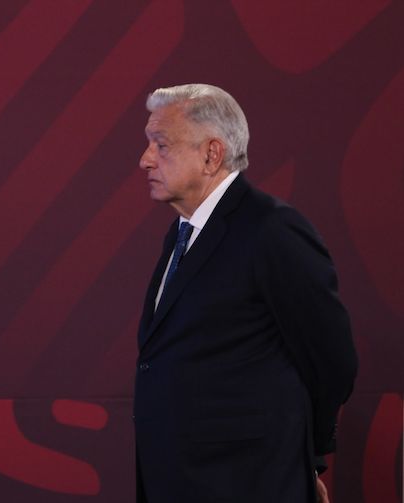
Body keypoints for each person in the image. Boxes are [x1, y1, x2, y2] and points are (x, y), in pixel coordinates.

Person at [134, 84, 357, 502]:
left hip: (246, 483)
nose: (145, 159)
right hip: (181, 479)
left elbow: (331, 357)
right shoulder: (182, 232)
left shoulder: (271, 230)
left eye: (160, 144)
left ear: (211, 154)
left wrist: (302, 459)